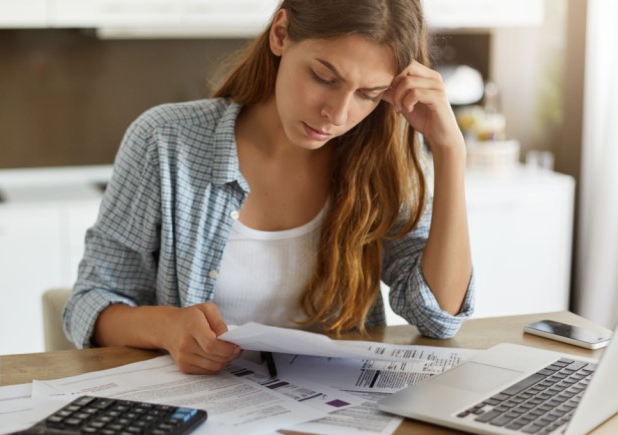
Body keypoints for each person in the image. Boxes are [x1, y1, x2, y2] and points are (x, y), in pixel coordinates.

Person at [64, 0, 475, 375]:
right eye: (323, 77)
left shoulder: (381, 162)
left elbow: (437, 317)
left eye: (368, 94)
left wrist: (449, 149)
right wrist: (167, 328)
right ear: (281, 34)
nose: (337, 113)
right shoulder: (165, 142)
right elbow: (89, 303)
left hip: (331, 419)